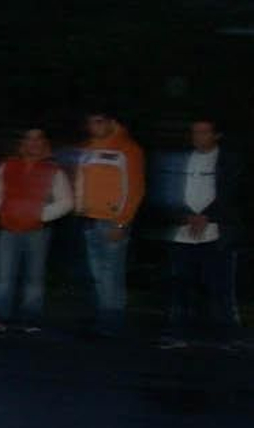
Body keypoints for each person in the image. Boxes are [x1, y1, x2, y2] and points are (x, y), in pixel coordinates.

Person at [158, 118, 243, 347]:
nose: (198, 137)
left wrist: (208, 216)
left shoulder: (229, 161)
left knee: (220, 288)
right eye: (195, 132)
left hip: (216, 234)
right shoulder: (181, 161)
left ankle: (228, 336)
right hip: (182, 233)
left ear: (216, 135)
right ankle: (177, 333)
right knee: (180, 286)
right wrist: (185, 216)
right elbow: (167, 193)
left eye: (204, 132)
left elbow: (235, 195)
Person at [0, 128, 73, 333]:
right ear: (23, 143)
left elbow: (66, 201)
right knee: (4, 277)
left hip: (38, 231)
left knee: (34, 278)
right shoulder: (9, 165)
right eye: (29, 139)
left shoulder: (54, 170)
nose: (33, 143)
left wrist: (39, 215)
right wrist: (2, 212)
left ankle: (30, 319)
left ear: (44, 143)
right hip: (8, 229)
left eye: (37, 139)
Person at [74, 110, 144, 337]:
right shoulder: (88, 149)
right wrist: (80, 208)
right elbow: (81, 181)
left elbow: (135, 189)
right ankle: (104, 318)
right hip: (90, 219)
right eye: (90, 123)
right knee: (98, 274)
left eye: (98, 122)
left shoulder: (128, 149)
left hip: (112, 221)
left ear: (111, 123)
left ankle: (112, 321)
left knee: (111, 274)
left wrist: (122, 222)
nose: (93, 127)